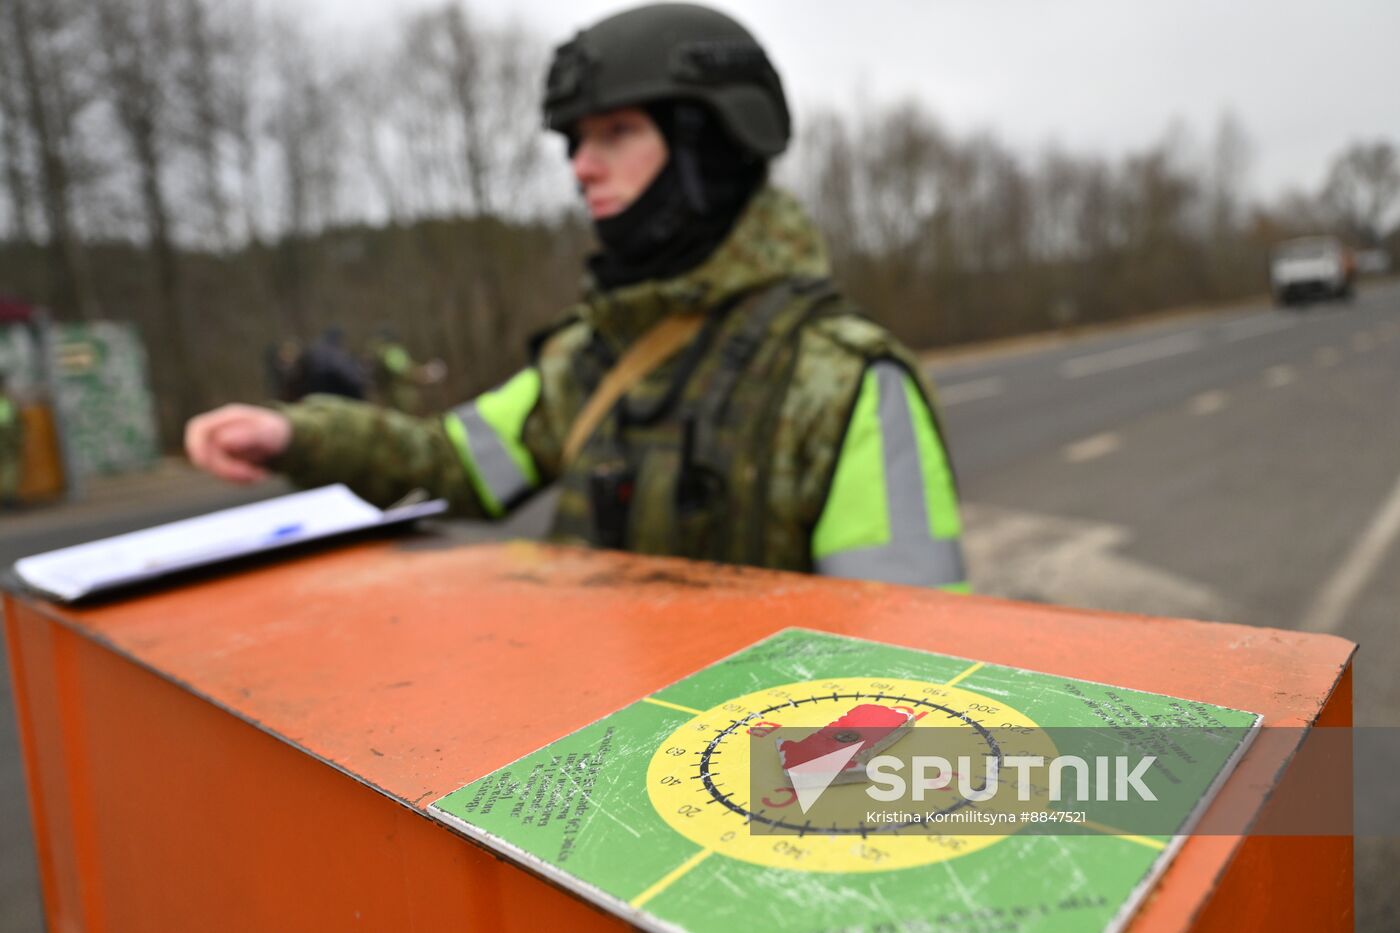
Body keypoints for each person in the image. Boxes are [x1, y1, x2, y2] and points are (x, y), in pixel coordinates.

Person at [185, 3, 967, 590]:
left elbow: (907, 684)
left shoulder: (844, 383)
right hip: (595, 765)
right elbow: (453, 464)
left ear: (712, 147)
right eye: (575, 142)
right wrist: (297, 435)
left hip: (751, 786)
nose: (581, 168)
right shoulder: (593, 354)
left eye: (617, 132)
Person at [0, 372, 21, 507]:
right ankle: (8, 498)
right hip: (5, 432)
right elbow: (7, 419)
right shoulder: (4, 398)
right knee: (9, 465)